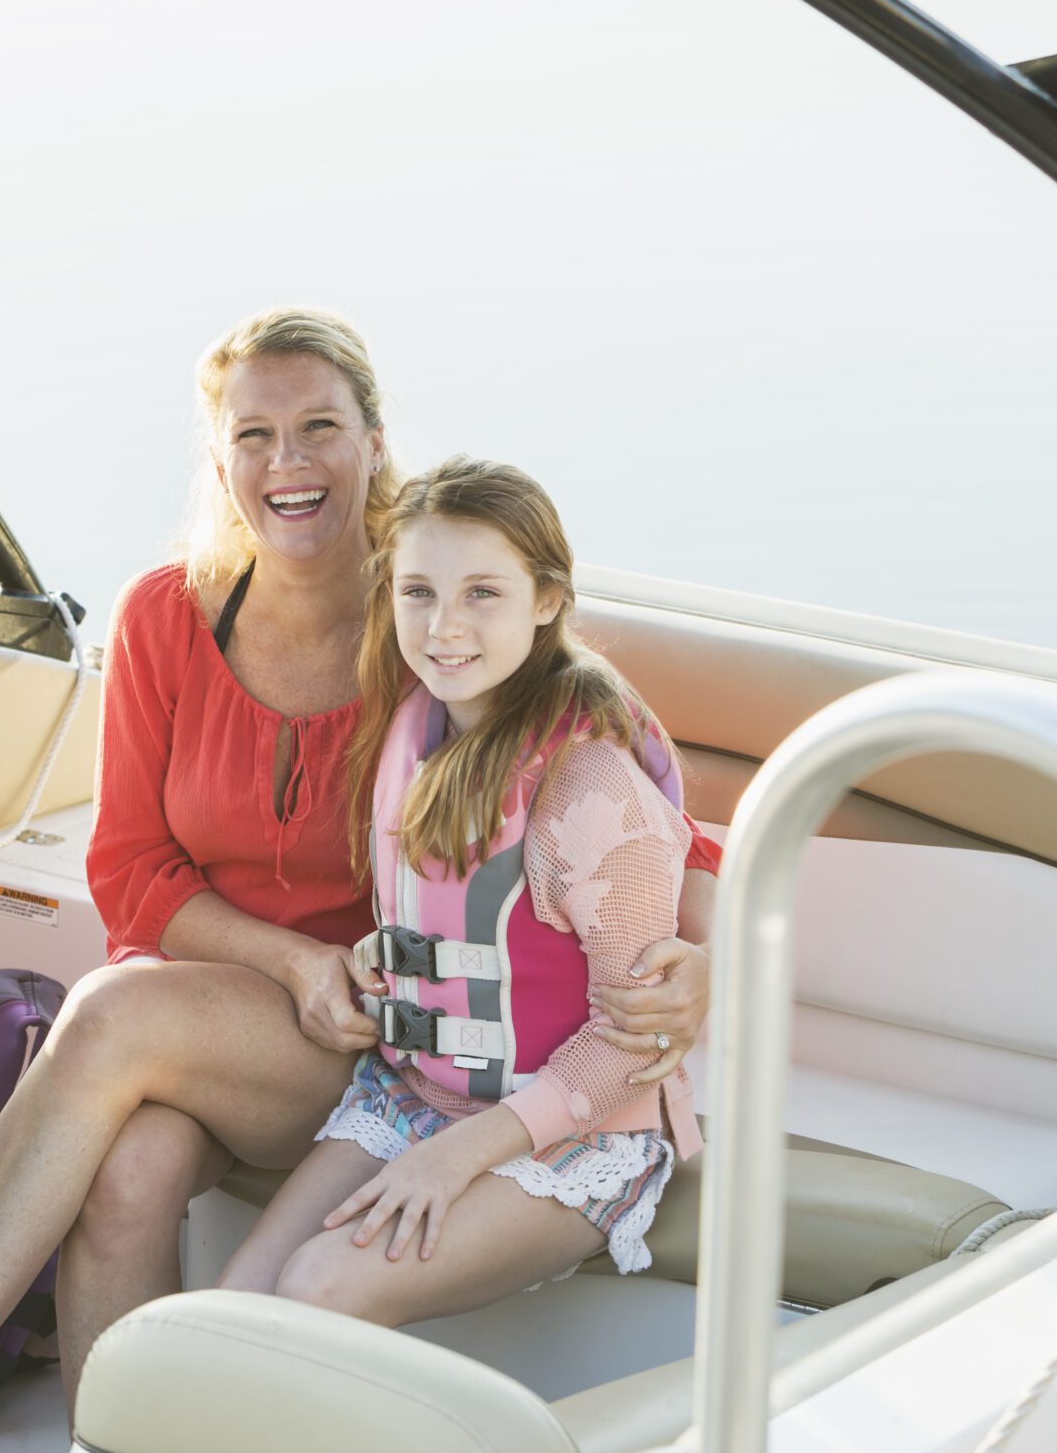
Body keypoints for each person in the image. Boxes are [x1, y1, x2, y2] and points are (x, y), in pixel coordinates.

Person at [0, 309, 718, 1453]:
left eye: (320, 426)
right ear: (218, 460)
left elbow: (640, 814)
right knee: (127, 1167)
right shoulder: (164, 619)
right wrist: (290, 960)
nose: (287, 463)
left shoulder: (422, 623)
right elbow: (128, 872)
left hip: (375, 1039)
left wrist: (701, 963)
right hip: (230, 1017)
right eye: (253, 435)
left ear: (374, 444)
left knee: (114, 1011)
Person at [215, 455, 699, 1318]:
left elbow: (632, 1047)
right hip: (411, 1094)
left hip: (574, 1133)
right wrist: (388, 962)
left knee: (317, 1289)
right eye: (418, 592)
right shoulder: (419, 727)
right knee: (236, 1300)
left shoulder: (588, 784)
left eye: (483, 593)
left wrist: (461, 1154)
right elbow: (469, 927)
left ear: (546, 599)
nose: (444, 626)